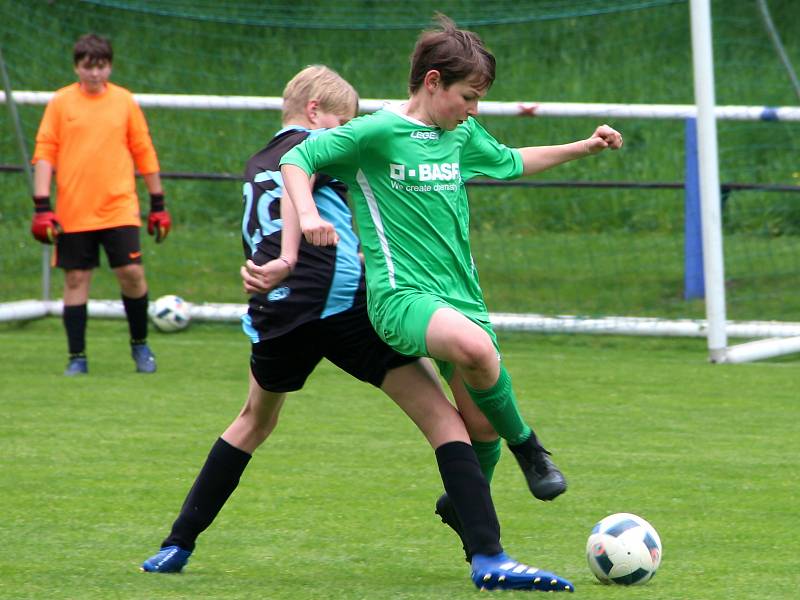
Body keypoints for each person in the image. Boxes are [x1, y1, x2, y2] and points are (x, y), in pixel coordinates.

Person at [140, 65, 574, 592]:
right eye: (343, 120)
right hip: (342, 306)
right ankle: (488, 555)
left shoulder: (256, 162)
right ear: (318, 113)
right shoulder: (334, 145)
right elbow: (332, 175)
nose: (348, 129)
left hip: (277, 316)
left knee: (251, 421)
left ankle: (176, 543)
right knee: (446, 421)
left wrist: (274, 267)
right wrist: (298, 252)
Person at [281, 13, 622, 516]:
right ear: (434, 82)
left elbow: (511, 160)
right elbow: (298, 159)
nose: (473, 109)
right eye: (468, 97)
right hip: (401, 297)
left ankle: (467, 514)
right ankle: (530, 447)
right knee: (475, 347)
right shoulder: (375, 131)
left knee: (480, 427)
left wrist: (585, 147)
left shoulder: (462, 136)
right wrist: (308, 213)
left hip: (461, 295)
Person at [30, 33, 171, 376]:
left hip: (119, 207)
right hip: (74, 211)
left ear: (110, 66)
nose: (95, 74)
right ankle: (76, 357)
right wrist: (41, 205)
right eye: (88, 67)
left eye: (101, 67)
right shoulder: (61, 103)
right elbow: (45, 152)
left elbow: (143, 150)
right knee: (77, 279)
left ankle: (140, 346)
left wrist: (158, 202)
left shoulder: (124, 101)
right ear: (77, 67)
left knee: (131, 273)